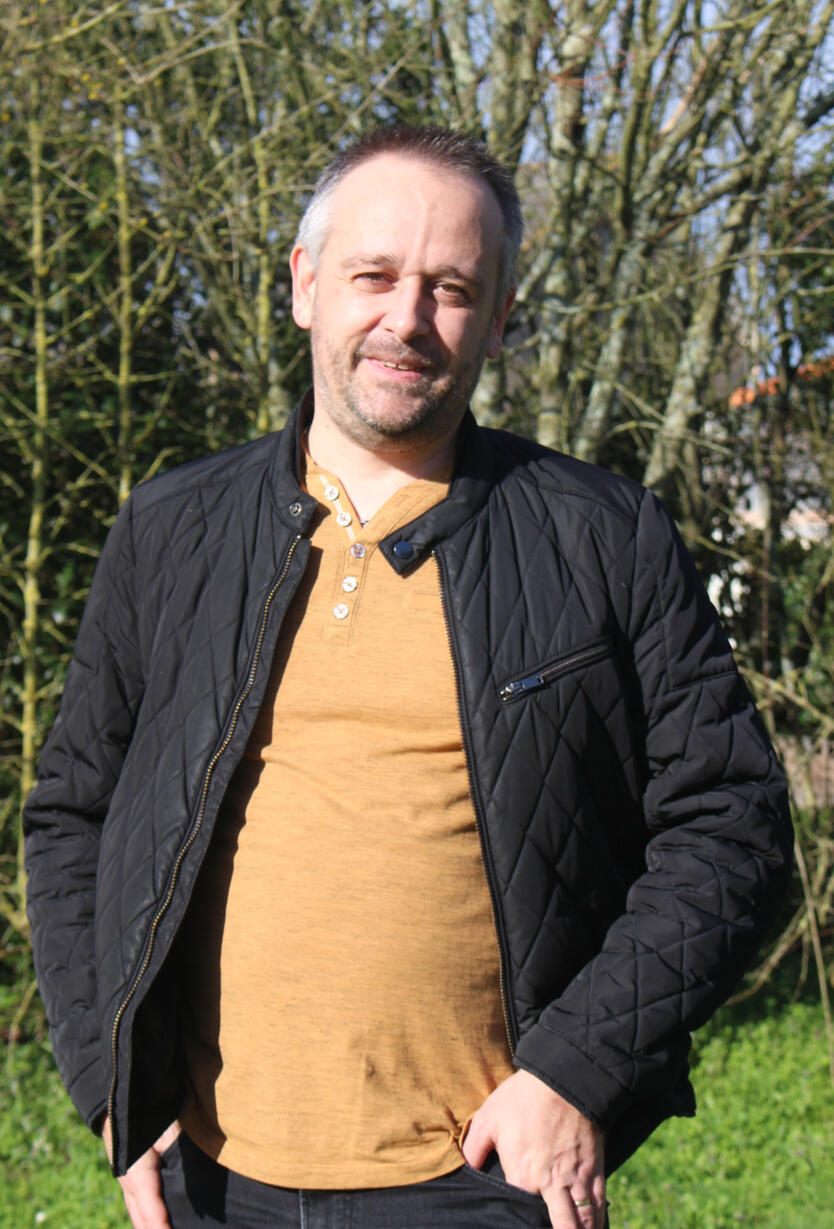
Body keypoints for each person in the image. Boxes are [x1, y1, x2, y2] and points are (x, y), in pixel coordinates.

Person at [24, 126, 792, 1229]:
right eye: (374, 275)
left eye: (451, 288)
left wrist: (578, 1068)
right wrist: (109, 1076)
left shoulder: (602, 536)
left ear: (501, 316)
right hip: (208, 1180)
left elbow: (734, 826)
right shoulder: (169, 529)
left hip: (480, 1180)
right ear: (305, 284)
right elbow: (72, 814)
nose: (407, 318)